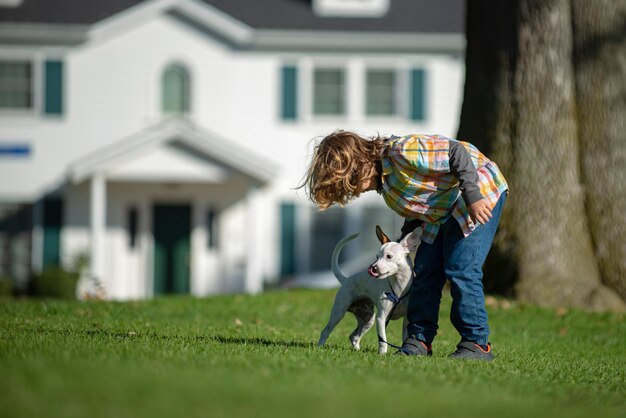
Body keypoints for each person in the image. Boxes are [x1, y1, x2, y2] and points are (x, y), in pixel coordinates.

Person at [299, 130, 508, 360]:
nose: (352, 191)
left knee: (461, 268)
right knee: (426, 272)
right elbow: (418, 204)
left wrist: (472, 195)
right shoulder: (387, 189)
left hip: (478, 191)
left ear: (359, 165)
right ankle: (418, 340)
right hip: (441, 211)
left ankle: (476, 344)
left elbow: (456, 152)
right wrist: (402, 239)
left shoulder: (401, 152)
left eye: (349, 183)